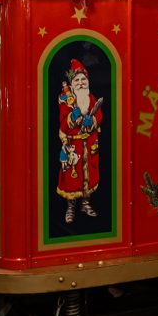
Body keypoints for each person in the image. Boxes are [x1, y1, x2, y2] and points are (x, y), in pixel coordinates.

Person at [58, 59, 103, 223]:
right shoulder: (65, 100)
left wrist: (93, 122)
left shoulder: (91, 98)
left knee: (90, 174)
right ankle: (70, 207)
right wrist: (73, 116)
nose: (81, 83)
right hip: (73, 146)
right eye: (77, 80)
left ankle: (86, 203)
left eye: (83, 79)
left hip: (90, 144)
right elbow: (63, 124)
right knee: (71, 176)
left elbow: (99, 115)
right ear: (72, 83)